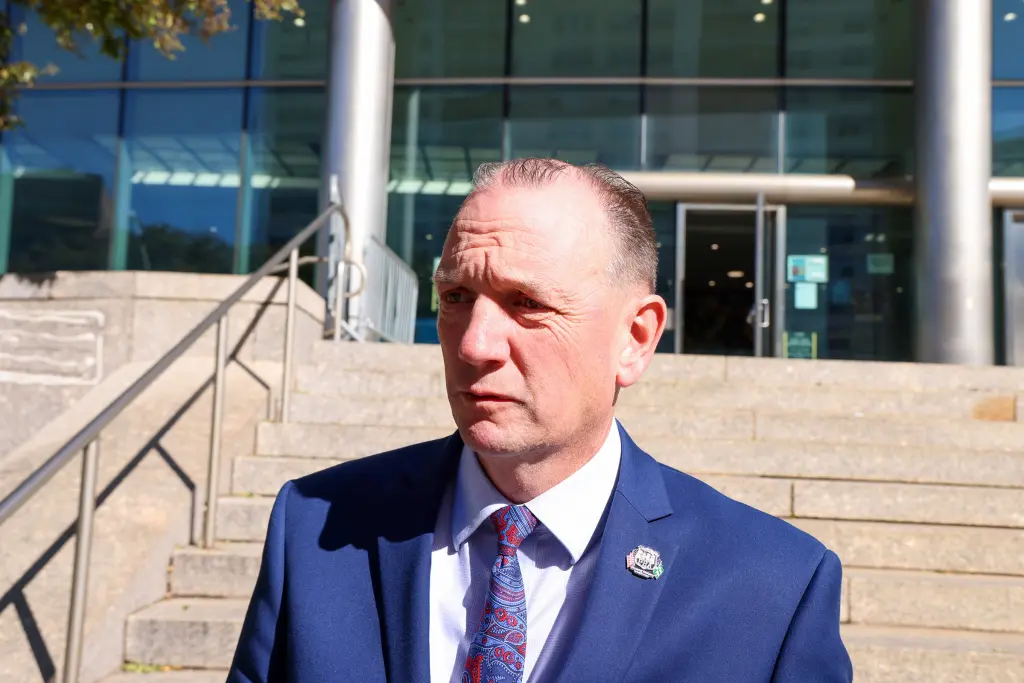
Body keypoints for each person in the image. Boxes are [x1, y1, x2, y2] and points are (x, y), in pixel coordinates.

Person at [227, 159, 852, 683]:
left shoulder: (771, 588)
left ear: (635, 338)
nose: (474, 344)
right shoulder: (315, 527)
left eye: (527, 303)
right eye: (456, 297)